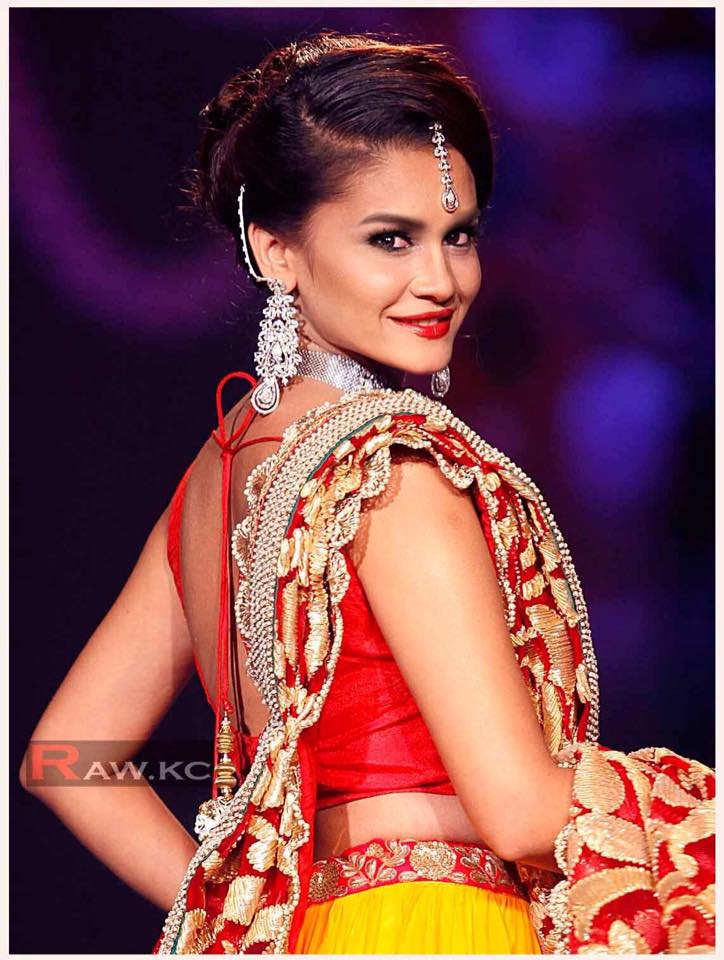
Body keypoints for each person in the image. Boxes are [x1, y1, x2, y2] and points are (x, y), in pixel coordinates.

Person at [20, 31, 714, 955]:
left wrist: (249, 915)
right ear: (275, 250)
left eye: (459, 236)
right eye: (391, 240)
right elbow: (518, 813)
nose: (441, 281)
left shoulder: (221, 472)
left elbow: (68, 760)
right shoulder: (395, 472)